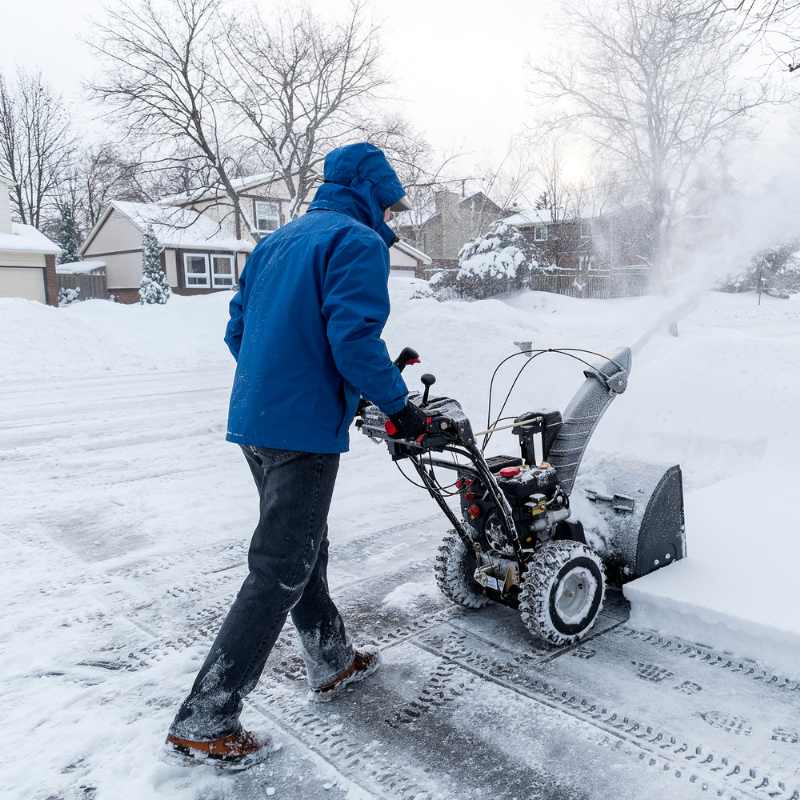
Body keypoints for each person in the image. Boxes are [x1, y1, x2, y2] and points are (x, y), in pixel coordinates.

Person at [165, 142, 427, 767]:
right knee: (280, 567)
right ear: (369, 192)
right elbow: (353, 339)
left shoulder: (277, 242)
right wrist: (400, 408)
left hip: (255, 421)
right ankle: (207, 716)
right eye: (388, 203)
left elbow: (238, 330)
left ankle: (331, 659)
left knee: (302, 546)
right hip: (301, 434)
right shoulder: (356, 244)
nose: (390, 216)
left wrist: (282, 382)